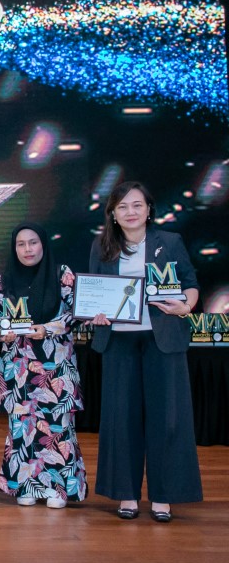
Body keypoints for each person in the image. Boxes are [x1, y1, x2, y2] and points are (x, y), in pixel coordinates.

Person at [88, 181, 201, 522]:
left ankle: (163, 497)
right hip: (119, 342)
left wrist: (186, 307)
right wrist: (95, 312)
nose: (131, 212)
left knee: (166, 418)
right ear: (113, 213)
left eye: (137, 205)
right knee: (120, 418)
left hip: (162, 341)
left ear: (149, 209)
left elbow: (191, 282)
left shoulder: (170, 242)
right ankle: (126, 494)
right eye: (122, 207)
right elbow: (92, 288)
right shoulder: (102, 245)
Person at [0, 223, 86, 509]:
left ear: (43, 245)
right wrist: (3, 331)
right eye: (21, 244)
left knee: (57, 428)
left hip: (54, 364)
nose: (27, 249)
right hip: (18, 365)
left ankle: (59, 488)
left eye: (33, 243)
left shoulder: (62, 274)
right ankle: (26, 486)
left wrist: (47, 329)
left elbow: (76, 313)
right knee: (22, 427)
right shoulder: (5, 279)